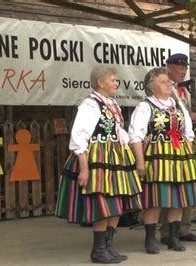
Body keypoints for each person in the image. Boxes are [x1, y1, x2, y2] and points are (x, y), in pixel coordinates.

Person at [55, 66, 142, 264]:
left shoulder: (112, 104)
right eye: (112, 80)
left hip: (116, 157)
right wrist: (84, 168)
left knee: (117, 203)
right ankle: (98, 249)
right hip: (99, 157)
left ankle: (109, 246)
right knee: (104, 204)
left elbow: (119, 131)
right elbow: (80, 136)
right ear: (100, 82)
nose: (116, 83)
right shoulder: (90, 104)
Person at [129, 67, 196, 254]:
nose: (169, 84)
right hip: (158, 159)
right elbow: (135, 136)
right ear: (151, 87)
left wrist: (188, 157)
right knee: (156, 200)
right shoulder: (145, 106)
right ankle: (150, 239)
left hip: (179, 158)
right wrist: (140, 162)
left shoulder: (178, 106)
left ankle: (173, 237)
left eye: (169, 81)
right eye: (163, 81)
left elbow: (188, 133)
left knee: (178, 200)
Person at [158, 53, 196, 245]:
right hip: (169, 144)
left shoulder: (183, 90)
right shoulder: (164, 86)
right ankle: (166, 232)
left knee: (186, 187)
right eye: (179, 67)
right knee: (170, 189)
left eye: (185, 68)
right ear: (168, 67)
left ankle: (184, 228)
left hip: (185, 142)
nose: (183, 71)